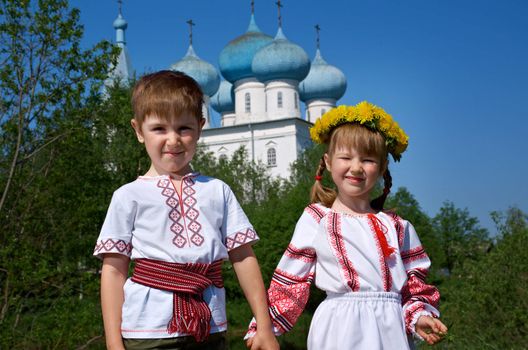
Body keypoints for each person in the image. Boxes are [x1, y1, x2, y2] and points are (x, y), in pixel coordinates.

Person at [94, 70, 279, 350]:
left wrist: (264, 325)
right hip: (148, 332)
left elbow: (243, 257)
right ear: (138, 131)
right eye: (159, 129)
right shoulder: (127, 196)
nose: (173, 140)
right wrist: (113, 343)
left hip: (210, 327)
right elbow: (114, 271)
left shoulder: (218, 190)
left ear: (200, 128)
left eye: (183, 128)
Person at [245, 102, 448, 349]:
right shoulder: (317, 219)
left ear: (382, 167)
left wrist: (419, 317)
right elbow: (291, 282)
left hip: (390, 330)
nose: (356, 167)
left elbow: (414, 286)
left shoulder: (398, 227)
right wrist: (264, 328)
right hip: (339, 328)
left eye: (368, 159)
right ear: (329, 162)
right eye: (346, 157)